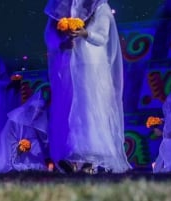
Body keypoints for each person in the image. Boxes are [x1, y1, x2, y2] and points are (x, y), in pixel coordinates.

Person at [44, 0, 131, 174]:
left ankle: (90, 158)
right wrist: (62, 42)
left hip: (91, 66)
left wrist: (85, 33)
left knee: (89, 108)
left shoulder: (99, 6)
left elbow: (102, 37)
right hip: (68, 64)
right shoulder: (61, 6)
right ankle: (70, 156)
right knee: (68, 107)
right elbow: (49, 35)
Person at [0, 91, 50, 173]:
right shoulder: (15, 118)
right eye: (37, 110)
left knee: (38, 160)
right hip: (13, 144)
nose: (38, 113)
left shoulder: (38, 121)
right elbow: (10, 137)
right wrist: (20, 147)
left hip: (30, 147)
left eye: (41, 111)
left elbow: (42, 140)